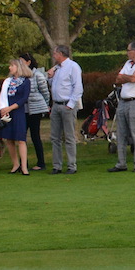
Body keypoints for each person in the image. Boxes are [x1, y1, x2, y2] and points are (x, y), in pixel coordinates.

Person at [109, 41, 135, 172]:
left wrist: (126, 78)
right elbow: (118, 79)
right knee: (121, 134)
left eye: (128, 50)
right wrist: (128, 77)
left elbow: (134, 79)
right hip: (123, 101)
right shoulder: (128, 64)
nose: (127, 53)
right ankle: (121, 163)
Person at [48, 44, 83, 174]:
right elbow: (56, 85)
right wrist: (50, 77)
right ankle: (57, 166)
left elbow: (78, 87)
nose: (53, 56)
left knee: (69, 136)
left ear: (61, 54)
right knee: (55, 137)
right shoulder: (57, 68)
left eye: (55, 53)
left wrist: (71, 103)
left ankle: (71, 165)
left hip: (67, 104)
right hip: (56, 104)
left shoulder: (73, 67)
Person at [0, 57, 32, 174]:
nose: (10, 67)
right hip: (7, 112)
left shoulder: (26, 81)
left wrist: (11, 107)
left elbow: (24, 98)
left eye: (12, 66)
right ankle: (15, 164)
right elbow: (3, 96)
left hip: (18, 112)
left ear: (18, 67)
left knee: (21, 139)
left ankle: (24, 166)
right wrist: (3, 109)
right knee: (9, 139)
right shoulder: (7, 81)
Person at [20, 51, 48, 170]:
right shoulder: (19, 76)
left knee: (35, 135)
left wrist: (45, 105)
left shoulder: (37, 75)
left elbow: (45, 92)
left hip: (35, 109)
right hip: (23, 110)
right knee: (21, 136)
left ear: (28, 62)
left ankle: (41, 163)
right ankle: (22, 163)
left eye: (22, 62)